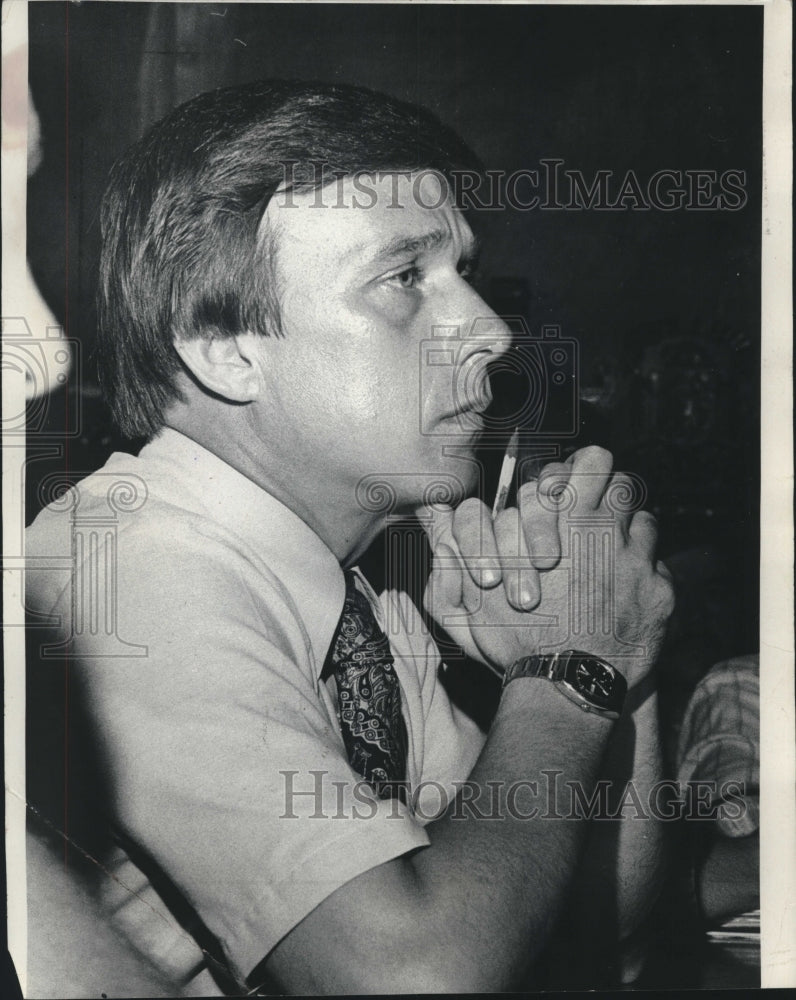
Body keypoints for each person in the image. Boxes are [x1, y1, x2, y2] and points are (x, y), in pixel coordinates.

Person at [25, 80, 674, 995]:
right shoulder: (131, 571)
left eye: (467, 276)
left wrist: (614, 649)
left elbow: (580, 927)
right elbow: (413, 977)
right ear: (224, 346)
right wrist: (567, 673)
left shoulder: (353, 588)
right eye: (404, 278)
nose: (489, 331)